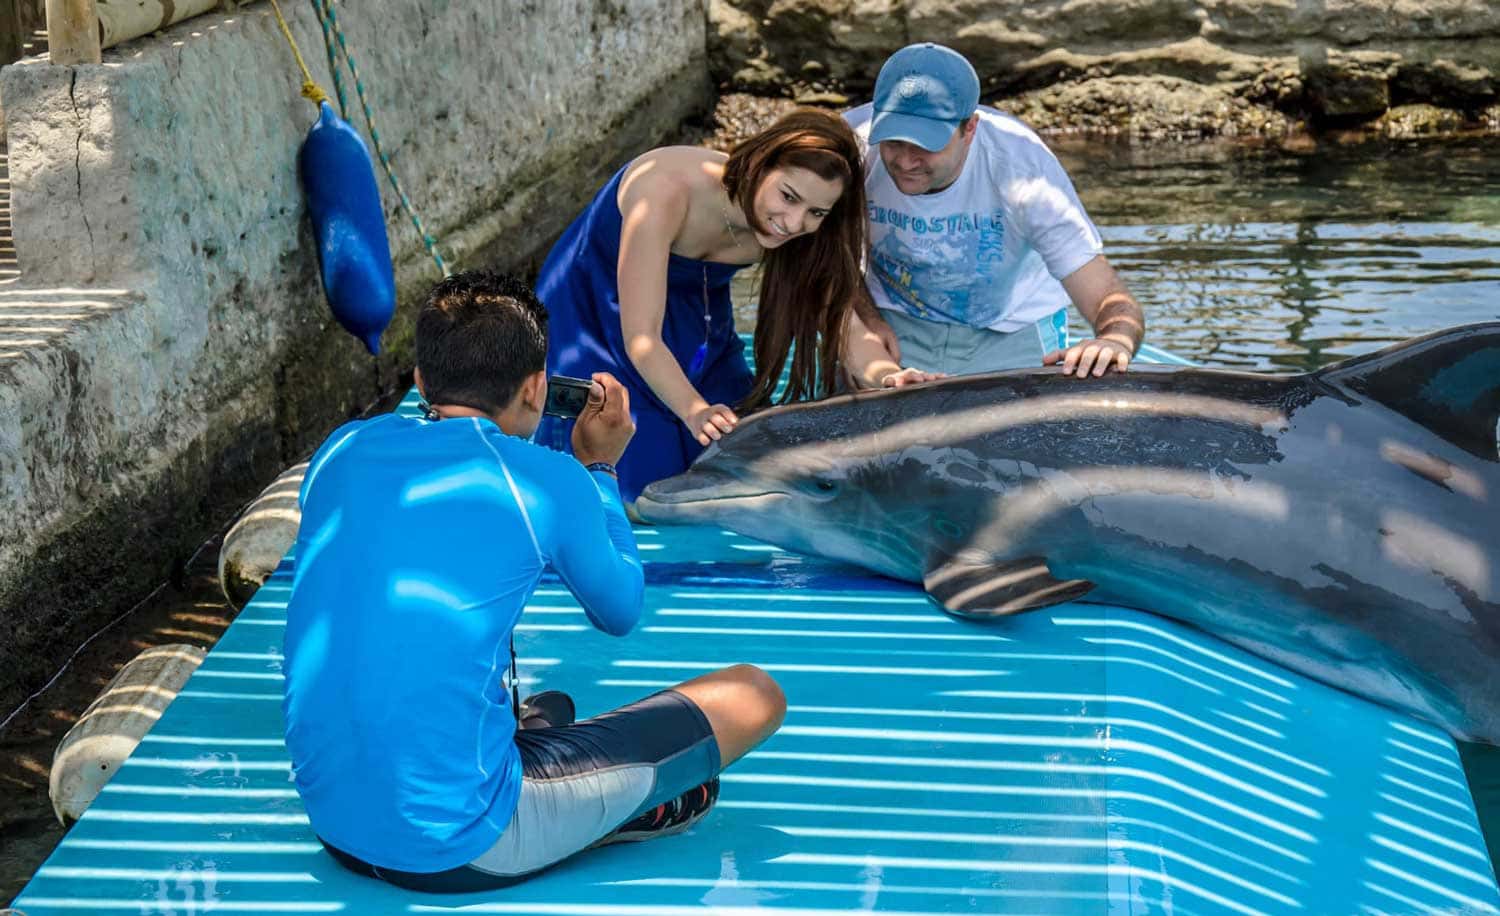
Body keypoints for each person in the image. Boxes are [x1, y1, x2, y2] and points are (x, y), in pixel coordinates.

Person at [282, 271, 786, 892]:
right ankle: (610, 815)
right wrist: (599, 468)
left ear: (420, 380)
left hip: (336, 823)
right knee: (754, 694)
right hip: (460, 846)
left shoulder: (341, 448)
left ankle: (544, 775)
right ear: (535, 388)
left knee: (552, 707)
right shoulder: (545, 477)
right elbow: (620, 608)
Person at [534, 108, 934, 504]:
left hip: (698, 315)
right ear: (760, 162)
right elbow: (641, 338)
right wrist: (695, 410)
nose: (794, 223)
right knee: (639, 482)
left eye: (816, 212)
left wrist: (889, 376)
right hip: (595, 309)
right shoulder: (665, 191)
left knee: (754, 457)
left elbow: (839, 320)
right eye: (788, 196)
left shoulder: (801, 234)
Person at [840, 43, 1147, 385]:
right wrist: (866, 317)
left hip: (1011, 329)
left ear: (970, 128)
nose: (905, 161)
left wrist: (1114, 340)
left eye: (926, 145)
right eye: (894, 142)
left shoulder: (1025, 173)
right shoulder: (850, 148)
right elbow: (817, 255)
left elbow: (1107, 296)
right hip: (892, 320)